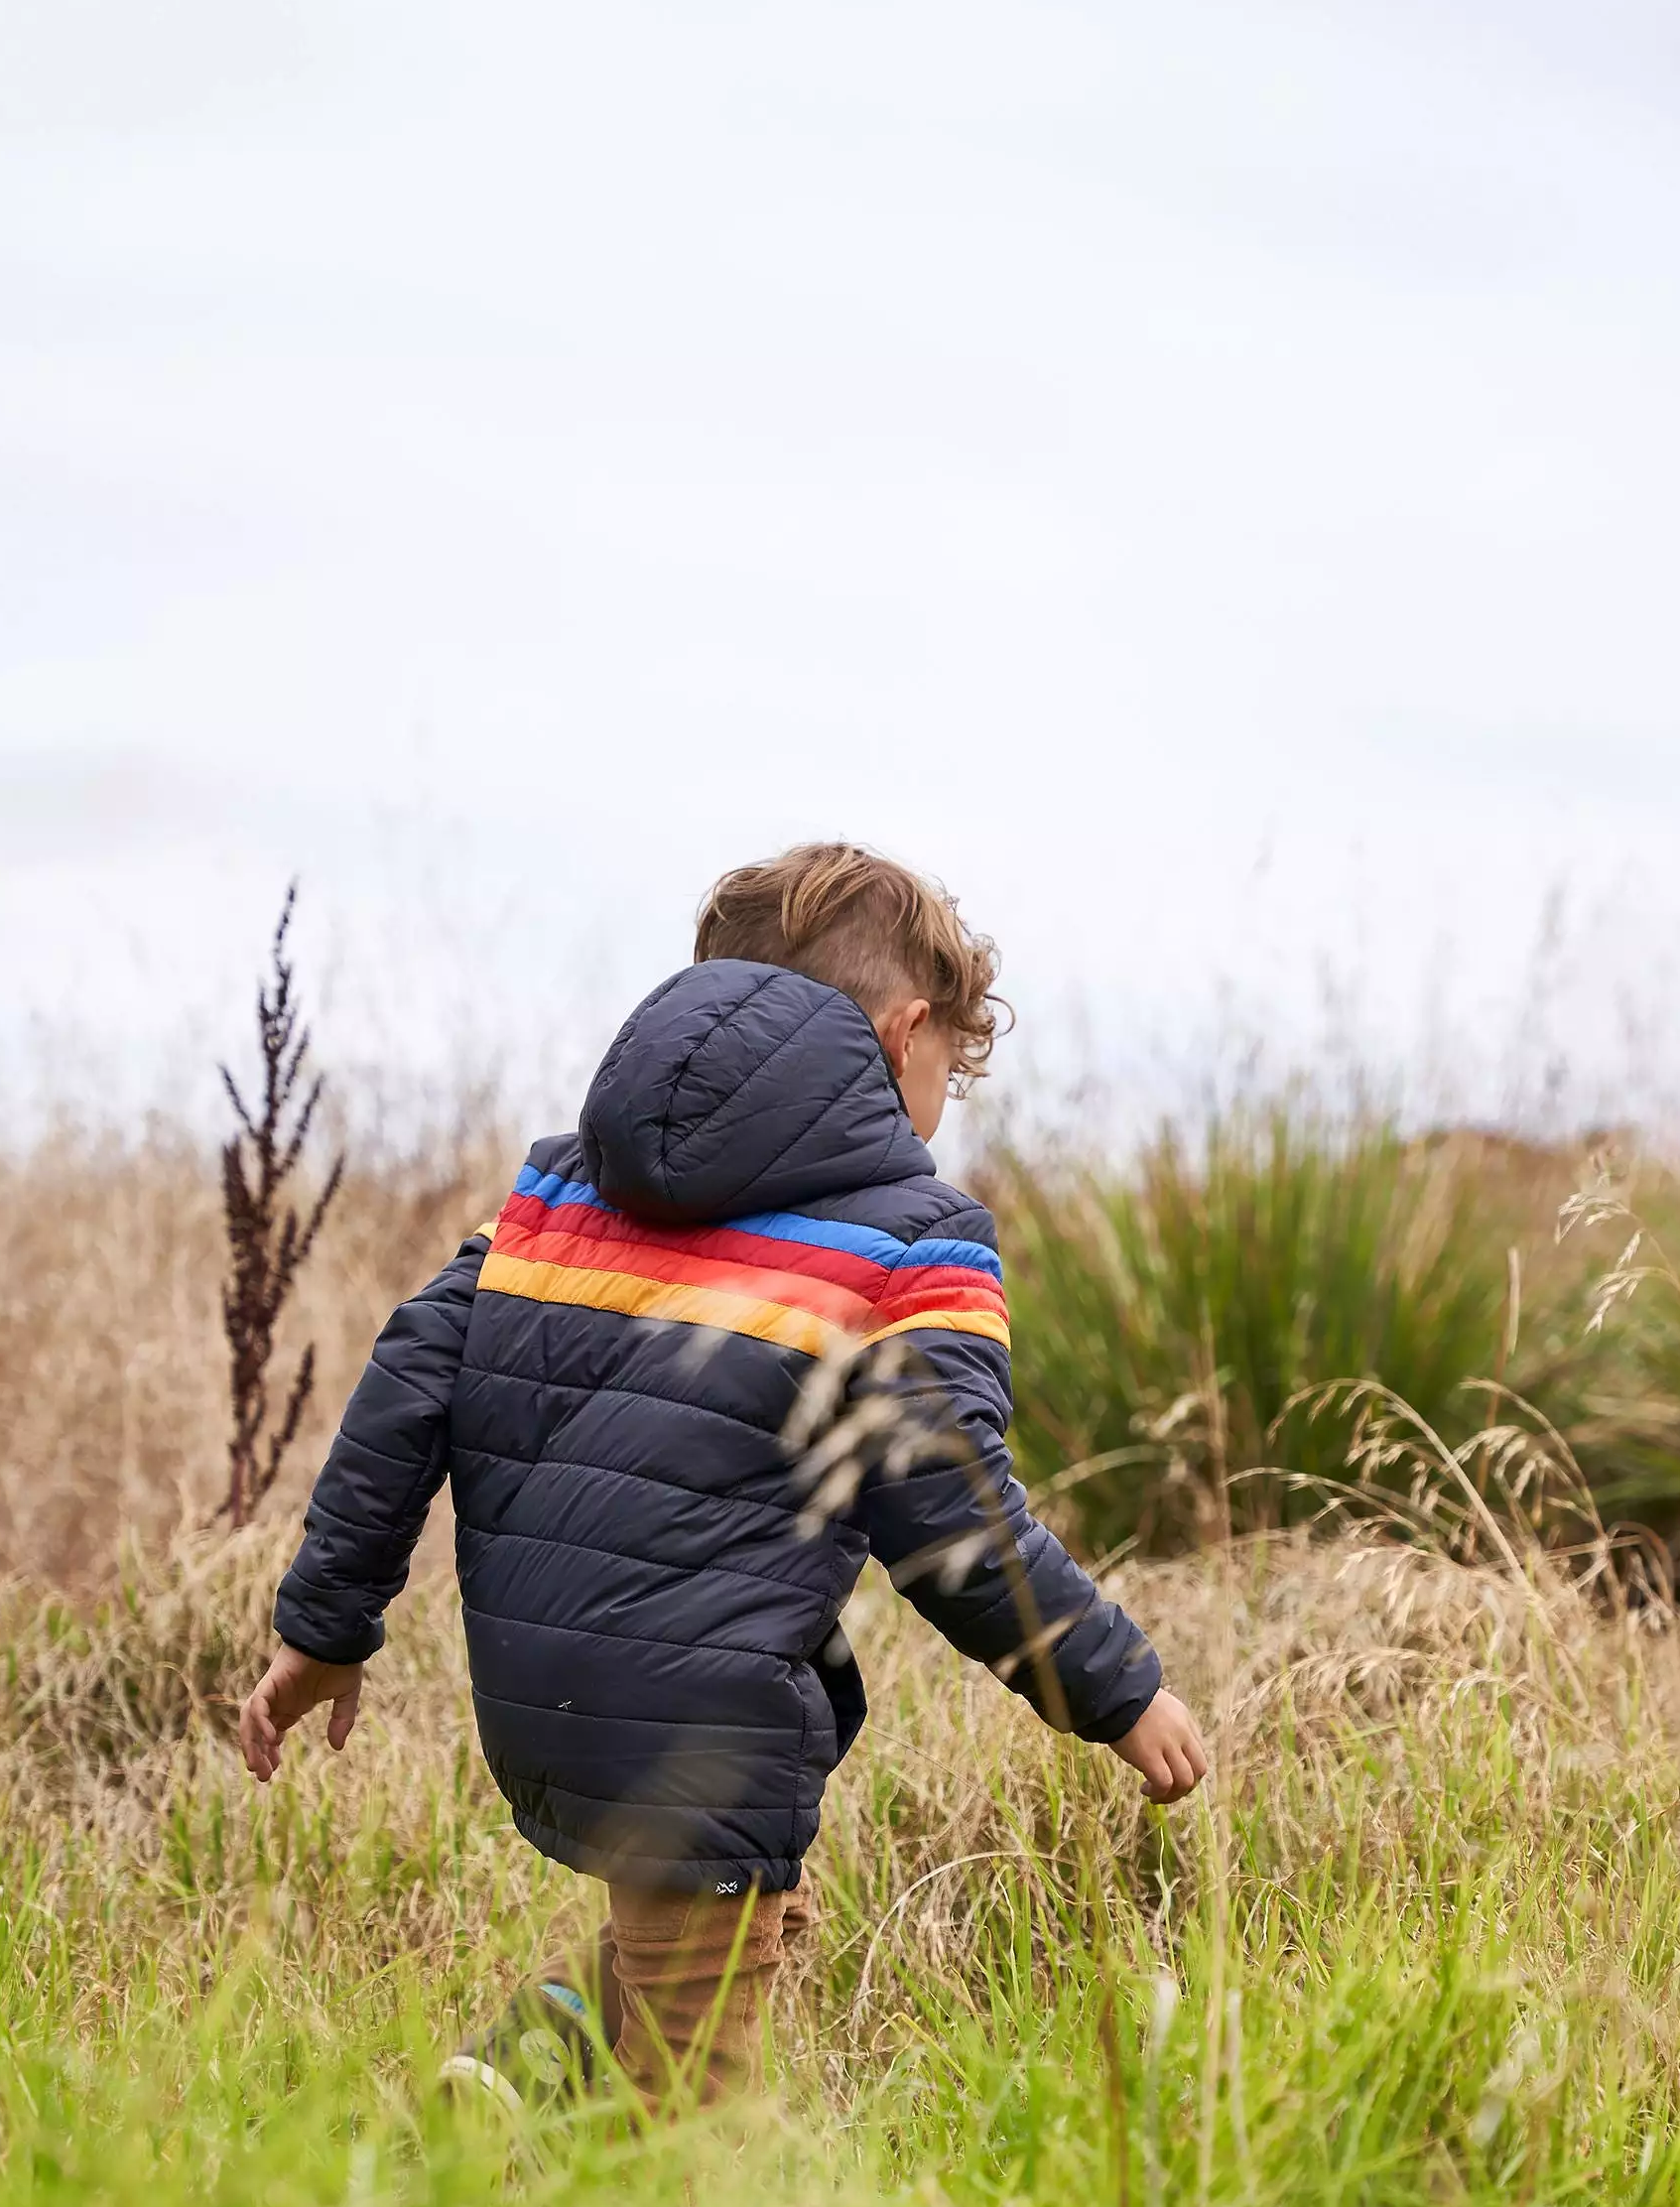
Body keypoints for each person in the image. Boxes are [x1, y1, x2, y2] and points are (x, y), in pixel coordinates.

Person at [238, 843, 1208, 2099]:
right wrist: (1116, 1688)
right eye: (942, 1075)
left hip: (541, 1689)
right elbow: (952, 1514)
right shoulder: (911, 1241)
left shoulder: (555, 1190)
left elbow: (403, 1390)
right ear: (907, 1032)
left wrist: (326, 1627)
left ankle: (516, 2079)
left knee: (715, 1923)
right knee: (697, 2124)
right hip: (701, 1724)